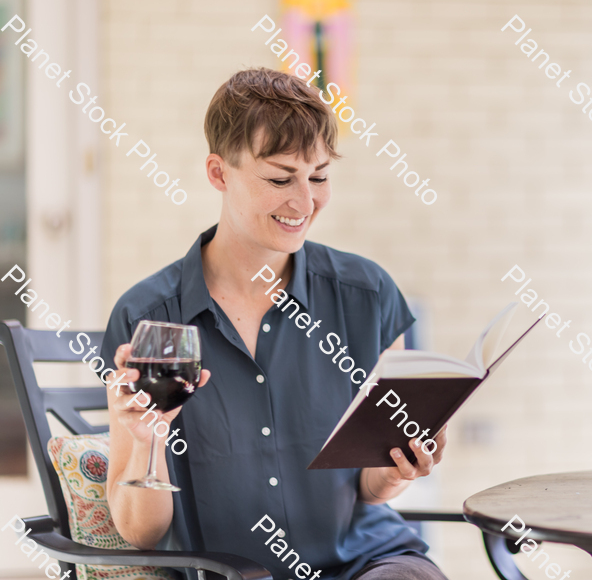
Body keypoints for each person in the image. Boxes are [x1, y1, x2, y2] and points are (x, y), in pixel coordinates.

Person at [100, 68, 449, 580]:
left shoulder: (367, 295)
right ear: (218, 174)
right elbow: (141, 535)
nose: (305, 202)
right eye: (280, 179)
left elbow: (370, 490)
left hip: (369, 565)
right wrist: (146, 439)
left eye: (320, 176)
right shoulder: (149, 318)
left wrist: (399, 470)